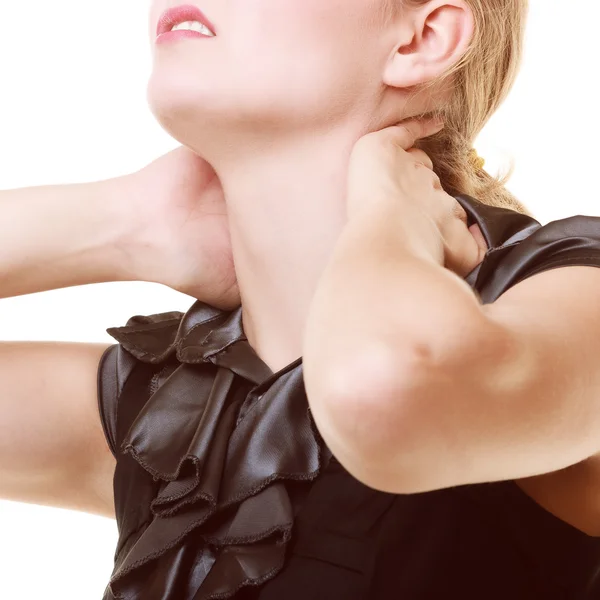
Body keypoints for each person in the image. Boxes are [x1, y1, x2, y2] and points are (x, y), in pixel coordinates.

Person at [2, 0, 600, 598]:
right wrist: (125, 222)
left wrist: (391, 213)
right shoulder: (171, 426)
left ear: (422, 39)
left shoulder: (567, 291)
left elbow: (384, 390)